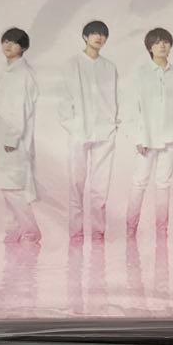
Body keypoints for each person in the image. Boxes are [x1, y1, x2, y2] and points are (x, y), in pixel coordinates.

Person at [58, 20, 119, 242]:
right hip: (79, 132)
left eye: (103, 34)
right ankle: (75, 233)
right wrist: (73, 126)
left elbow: (114, 98)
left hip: (105, 132)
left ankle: (98, 233)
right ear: (85, 37)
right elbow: (64, 99)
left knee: (100, 187)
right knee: (76, 184)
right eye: (94, 33)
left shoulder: (109, 67)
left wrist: (112, 124)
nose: (99, 37)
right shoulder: (71, 64)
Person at [126, 27, 173, 237]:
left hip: (172, 136)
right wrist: (138, 137)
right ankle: (130, 229)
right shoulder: (140, 74)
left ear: (170, 46)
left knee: (164, 183)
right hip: (147, 137)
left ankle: (162, 230)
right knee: (139, 181)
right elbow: (133, 108)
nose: (162, 45)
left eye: (165, 42)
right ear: (150, 47)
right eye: (157, 42)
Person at [0, 27, 41, 243]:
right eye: (5, 41)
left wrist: (10, 138)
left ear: (23, 47)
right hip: (2, 137)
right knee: (7, 187)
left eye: (14, 42)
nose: (8, 45)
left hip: (14, 139)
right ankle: (14, 230)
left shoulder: (22, 74)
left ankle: (31, 232)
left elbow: (19, 110)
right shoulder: (6, 71)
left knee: (12, 187)